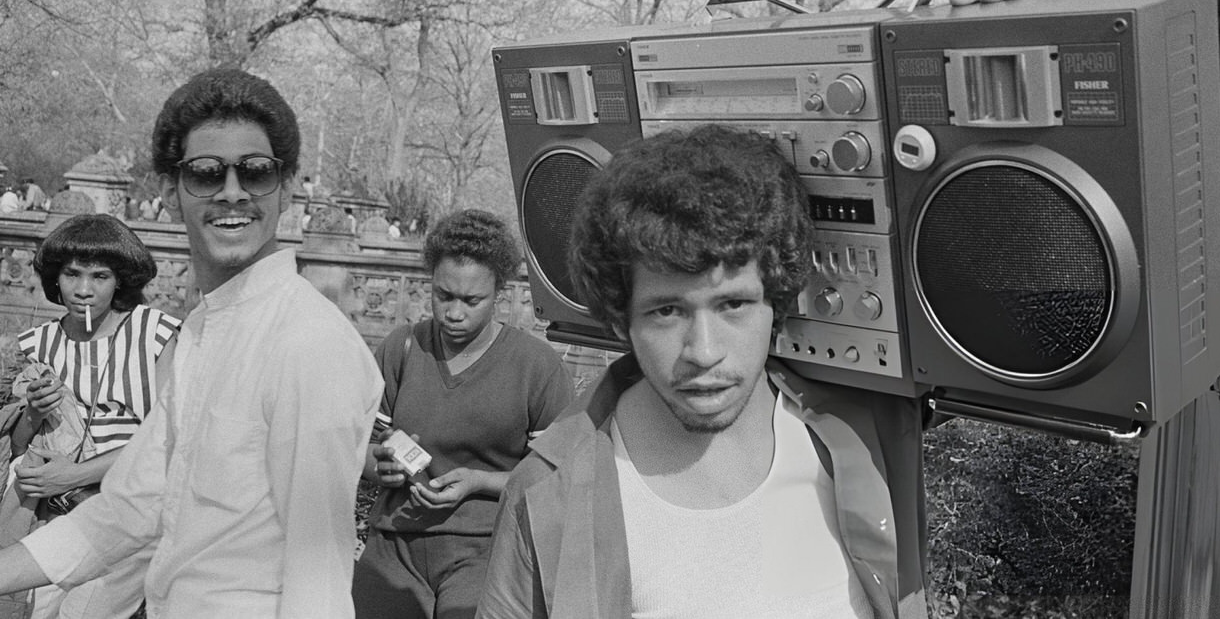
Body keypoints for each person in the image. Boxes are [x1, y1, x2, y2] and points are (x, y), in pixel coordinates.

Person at [475, 126, 929, 619]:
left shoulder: (865, 435)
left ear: (776, 299)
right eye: (667, 311)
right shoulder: (548, 495)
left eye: (733, 303)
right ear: (620, 317)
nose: (704, 352)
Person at [0, 68, 385, 617]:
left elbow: (317, 577)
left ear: (288, 185)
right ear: (171, 192)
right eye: (206, 174)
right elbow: (129, 511)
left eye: (255, 172)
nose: (233, 193)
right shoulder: (202, 332)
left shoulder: (309, 344)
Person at [353, 209, 575, 619]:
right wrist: (379, 466)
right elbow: (359, 448)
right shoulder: (402, 349)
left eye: (472, 301)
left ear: (500, 294)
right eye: (444, 295)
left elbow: (561, 476)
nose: (454, 313)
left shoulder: (536, 367)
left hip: (486, 550)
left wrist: (479, 482)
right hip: (394, 548)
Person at [5, 213, 179, 619]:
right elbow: (18, 445)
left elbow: (168, 440)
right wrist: (33, 413)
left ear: (121, 279)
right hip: (52, 513)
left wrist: (74, 475)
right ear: (55, 278)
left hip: (128, 517)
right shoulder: (41, 342)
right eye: (72, 274)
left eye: (99, 276)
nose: (83, 290)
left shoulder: (154, 332)